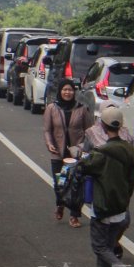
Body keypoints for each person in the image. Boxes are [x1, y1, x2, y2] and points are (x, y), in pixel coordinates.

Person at [81, 105, 134, 267]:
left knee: (100, 247)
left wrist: (80, 156)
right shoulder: (131, 150)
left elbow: (85, 166)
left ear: (103, 126)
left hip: (103, 207)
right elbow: (132, 179)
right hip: (122, 208)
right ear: (121, 125)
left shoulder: (103, 152)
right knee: (108, 246)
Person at [43, 78, 94, 227]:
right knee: (60, 183)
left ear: (74, 92)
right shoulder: (52, 108)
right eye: (65, 90)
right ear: (60, 91)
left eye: (70, 90)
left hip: (76, 154)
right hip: (58, 153)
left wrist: (82, 148)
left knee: (77, 185)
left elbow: (90, 132)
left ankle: (74, 215)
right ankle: (60, 204)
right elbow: (47, 130)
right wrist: (49, 144)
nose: (67, 92)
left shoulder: (82, 108)